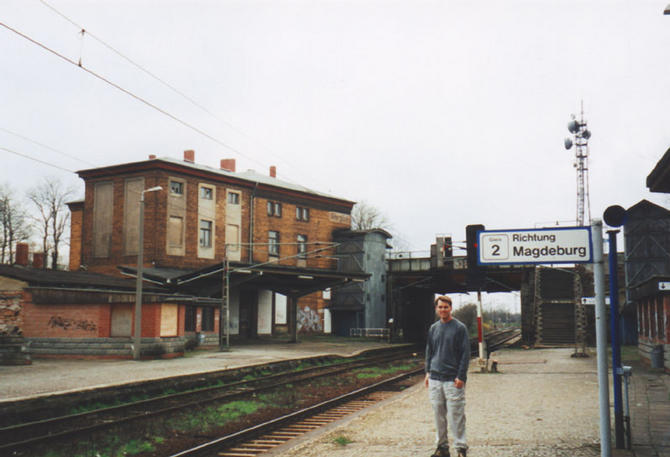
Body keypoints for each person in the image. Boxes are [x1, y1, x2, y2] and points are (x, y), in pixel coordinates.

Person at [425, 295, 470, 457]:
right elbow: (429, 352)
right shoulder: (433, 328)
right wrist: (427, 373)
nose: (443, 310)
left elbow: (465, 354)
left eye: (446, 307)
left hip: (453, 380)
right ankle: (442, 447)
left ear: (451, 308)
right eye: (440, 307)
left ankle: (461, 448)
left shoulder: (459, 328)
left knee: (456, 415)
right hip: (435, 379)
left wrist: (461, 376)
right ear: (436, 309)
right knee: (438, 415)